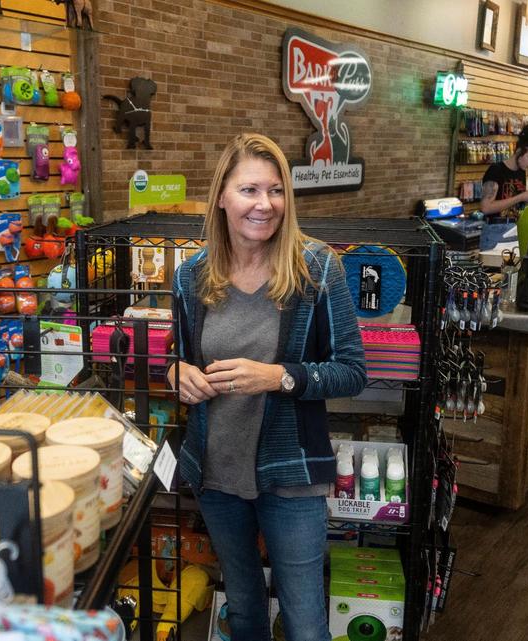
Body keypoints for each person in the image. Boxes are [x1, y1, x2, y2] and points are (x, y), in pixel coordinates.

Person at [168, 133, 367, 641]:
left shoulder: (317, 268)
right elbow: (180, 358)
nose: (265, 204)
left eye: (275, 191)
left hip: (292, 474)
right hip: (216, 471)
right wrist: (176, 374)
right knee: (243, 607)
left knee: (304, 622)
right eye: (249, 190)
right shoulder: (191, 276)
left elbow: (351, 370)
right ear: (222, 197)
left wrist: (277, 376)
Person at [479, 124, 528, 217]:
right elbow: (485, 208)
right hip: (496, 230)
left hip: (514, 228)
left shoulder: (521, 170)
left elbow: (515, 206)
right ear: (519, 152)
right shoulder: (496, 170)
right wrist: (521, 197)